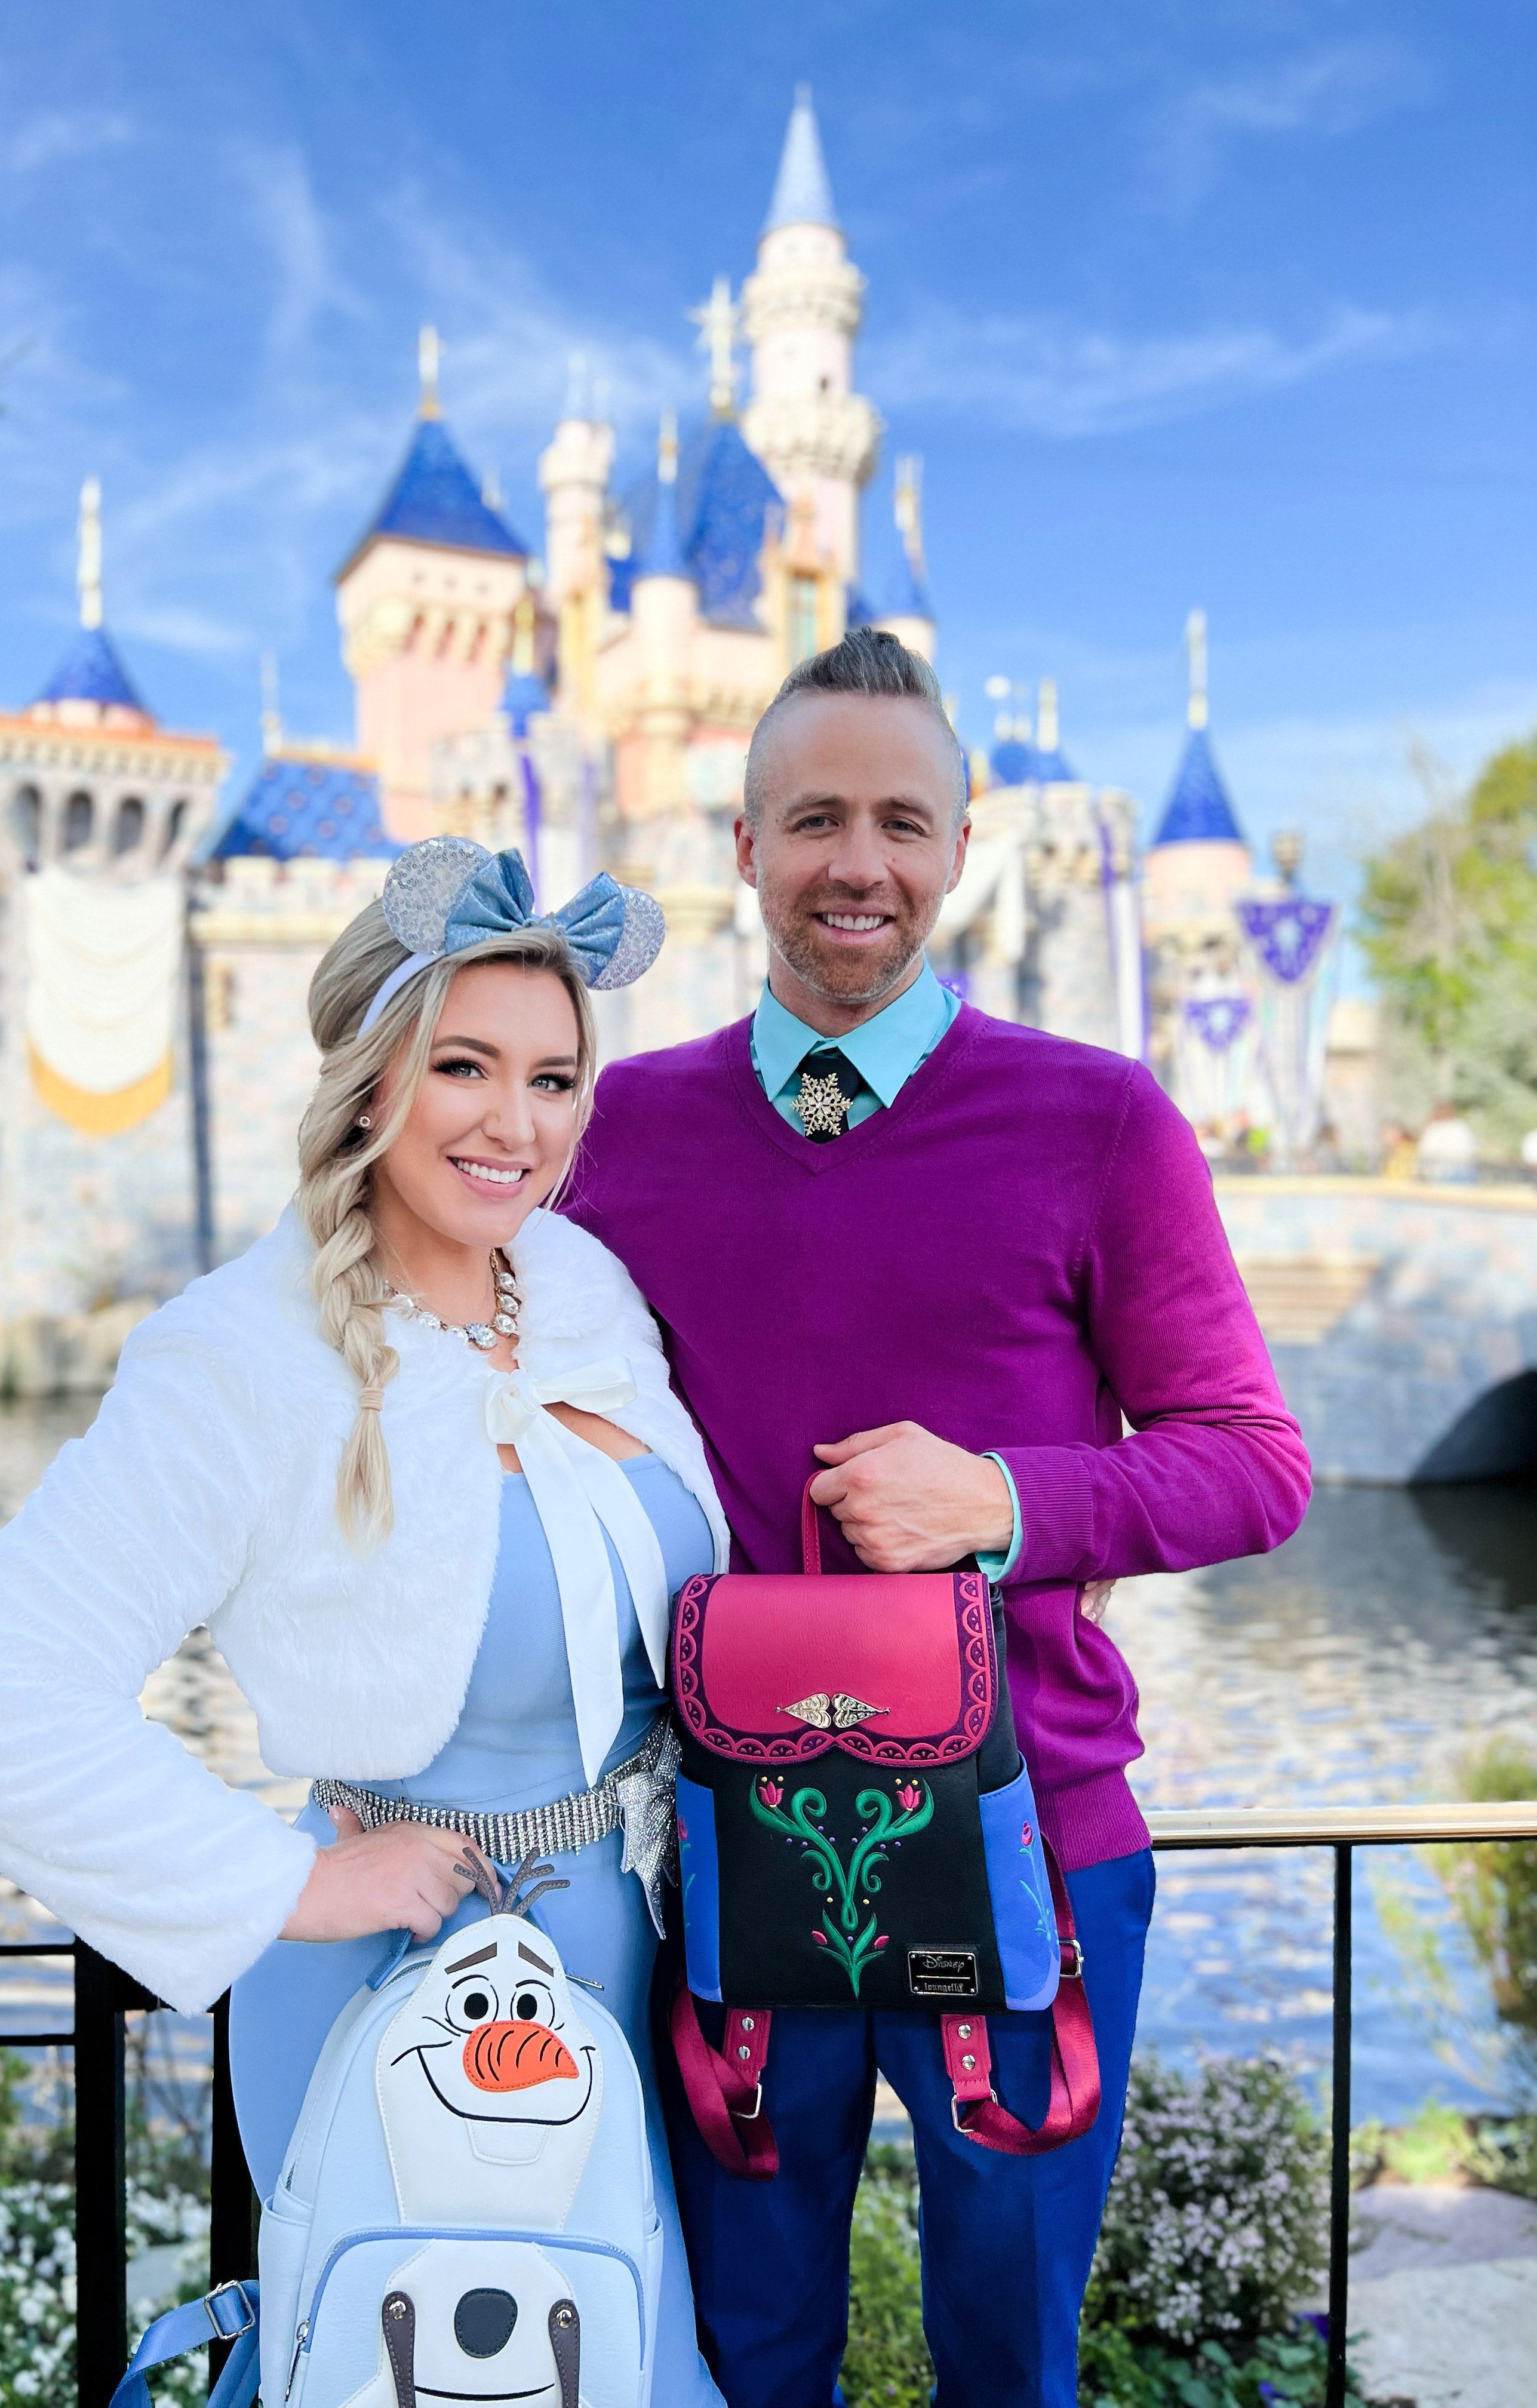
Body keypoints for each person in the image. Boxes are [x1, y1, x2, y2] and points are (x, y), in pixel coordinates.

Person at [563, 628, 1313, 2408]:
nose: (859, 863)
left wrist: (1002, 1501)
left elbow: (1254, 1462)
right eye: (813, 816)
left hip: (1031, 1848)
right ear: (742, 846)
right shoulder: (617, 1133)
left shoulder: (1103, 1122)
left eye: (904, 820)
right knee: (748, 2357)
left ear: (962, 849)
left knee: (1006, 2363)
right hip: (739, 1853)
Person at [0, 840, 731, 2406]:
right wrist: (297, 1876)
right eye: (464, 1066)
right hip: (387, 1987)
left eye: (556, 1079)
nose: (517, 1123)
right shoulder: (241, 1358)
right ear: (369, 1079)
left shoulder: (583, 1290)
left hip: (638, 1966)